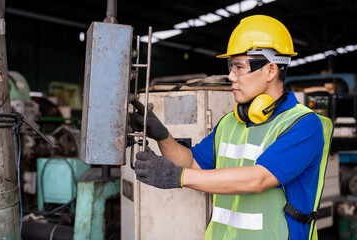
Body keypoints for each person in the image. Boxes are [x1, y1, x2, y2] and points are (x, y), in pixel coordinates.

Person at [129, 15, 333, 240]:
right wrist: (162, 136)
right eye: (230, 66)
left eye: (239, 67)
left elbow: (258, 179)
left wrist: (177, 177)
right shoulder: (230, 122)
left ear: (271, 70)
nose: (230, 76)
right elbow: (192, 162)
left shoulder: (303, 125)